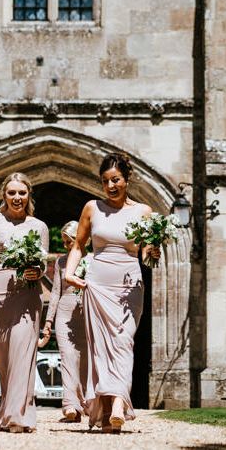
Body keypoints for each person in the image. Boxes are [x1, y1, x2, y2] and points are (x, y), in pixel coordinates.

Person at [65, 153, 159, 433]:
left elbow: (146, 255)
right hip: (97, 284)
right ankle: (106, 413)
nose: (111, 186)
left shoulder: (143, 212)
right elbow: (79, 245)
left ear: (127, 179)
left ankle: (119, 402)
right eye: (105, 181)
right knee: (100, 349)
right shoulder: (92, 208)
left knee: (122, 342)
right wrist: (70, 272)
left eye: (115, 180)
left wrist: (153, 251)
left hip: (129, 284)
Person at [0, 172, 49, 433]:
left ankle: (20, 416)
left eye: (22, 193)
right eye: (12, 193)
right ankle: (6, 412)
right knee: (4, 359)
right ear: (4, 195)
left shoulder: (39, 226)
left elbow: (42, 264)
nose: (17, 198)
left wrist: (37, 272)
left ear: (29, 195)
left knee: (24, 354)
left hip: (28, 294)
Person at [42, 221, 89, 422]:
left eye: (67, 242)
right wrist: (48, 322)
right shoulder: (61, 262)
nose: (64, 246)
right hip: (64, 311)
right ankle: (71, 406)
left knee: (86, 360)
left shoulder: (94, 259)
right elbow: (54, 294)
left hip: (87, 312)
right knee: (67, 358)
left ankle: (87, 403)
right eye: (63, 242)